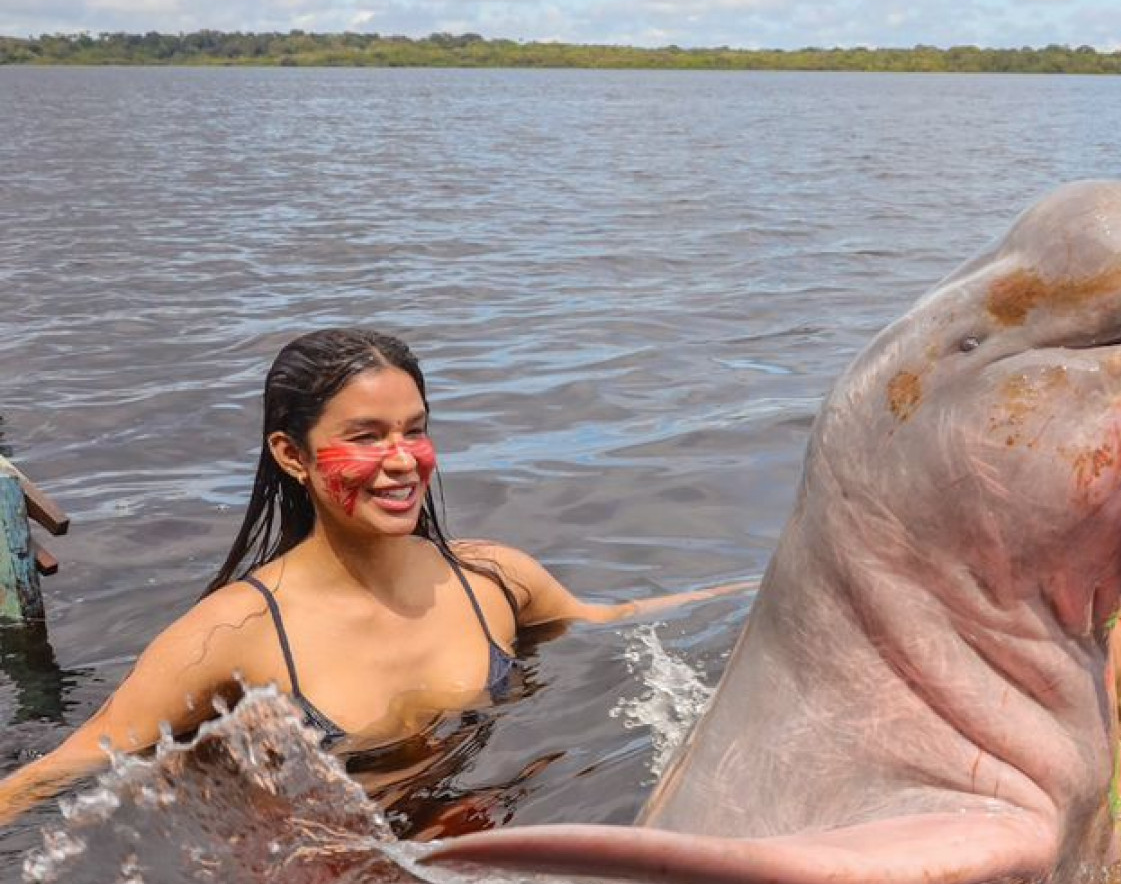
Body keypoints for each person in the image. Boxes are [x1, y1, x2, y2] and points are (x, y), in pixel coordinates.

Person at [0, 326, 744, 828]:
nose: (401, 460)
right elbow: (68, 766)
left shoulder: (494, 579)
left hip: (498, 836)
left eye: (415, 430)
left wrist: (766, 592)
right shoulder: (234, 633)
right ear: (292, 455)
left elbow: (616, 623)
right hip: (346, 882)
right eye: (365, 436)